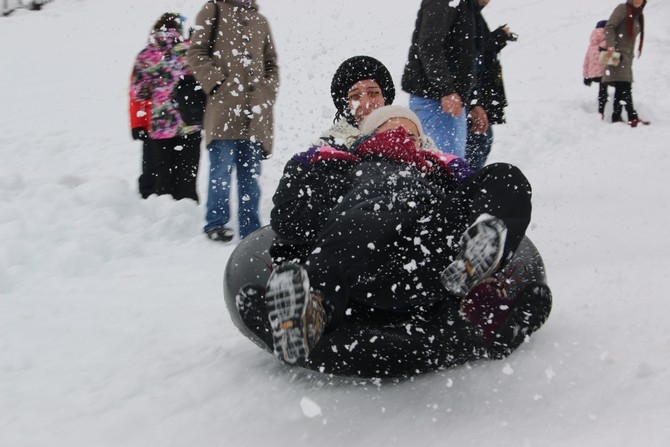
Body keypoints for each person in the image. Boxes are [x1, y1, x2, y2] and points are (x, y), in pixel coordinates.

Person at [265, 105, 535, 365]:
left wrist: (460, 179)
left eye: (413, 135)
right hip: (365, 263)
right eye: (394, 128)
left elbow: (475, 194)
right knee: (363, 220)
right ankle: (311, 311)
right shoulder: (340, 166)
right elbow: (290, 219)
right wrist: (306, 168)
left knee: (507, 176)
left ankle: (475, 273)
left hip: (434, 258)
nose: (405, 137)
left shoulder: (437, 170)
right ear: (370, 134)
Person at [187, 0, 279, 242]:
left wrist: (267, 91)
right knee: (221, 172)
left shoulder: (260, 21)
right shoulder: (213, 9)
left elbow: (271, 64)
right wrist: (217, 83)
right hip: (223, 111)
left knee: (251, 175)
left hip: (255, 114)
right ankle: (216, 223)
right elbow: (196, 52)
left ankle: (251, 228)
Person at [401, 0, 489, 158]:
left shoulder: (467, 6)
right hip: (435, 100)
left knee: (455, 165)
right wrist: (446, 89)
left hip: (453, 100)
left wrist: (473, 101)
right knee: (441, 164)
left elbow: (470, 58)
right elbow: (429, 46)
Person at [131, 13, 202, 203]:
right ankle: (187, 212)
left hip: (160, 127)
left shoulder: (146, 55)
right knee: (187, 176)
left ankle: (165, 213)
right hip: (189, 124)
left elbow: (138, 93)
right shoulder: (189, 51)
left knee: (164, 177)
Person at [465, 0, 516, 170]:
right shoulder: (465, 13)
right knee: (477, 140)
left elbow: (481, 49)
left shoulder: (473, 14)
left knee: (481, 139)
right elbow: (473, 53)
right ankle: (467, 186)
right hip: (472, 95)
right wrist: (473, 102)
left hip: (477, 94)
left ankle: (468, 184)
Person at [603, 0, 648, 127]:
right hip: (617, 55)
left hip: (627, 57)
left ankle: (616, 116)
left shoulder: (638, 14)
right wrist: (611, 45)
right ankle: (632, 116)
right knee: (625, 86)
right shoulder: (623, 8)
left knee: (621, 86)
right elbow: (609, 26)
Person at [128, 85, 157, 198]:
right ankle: (148, 198)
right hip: (153, 124)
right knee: (151, 169)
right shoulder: (144, 67)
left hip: (185, 126)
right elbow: (136, 93)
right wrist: (138, 124)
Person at [583, 20, 610, 120]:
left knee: (602, 91)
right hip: (606, 72)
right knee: (604, 91)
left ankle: (601, 112)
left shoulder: (592, 43)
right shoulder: (607, 41)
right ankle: (602, 110)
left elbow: (586, 61)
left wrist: (586, 76)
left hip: (593, 74)